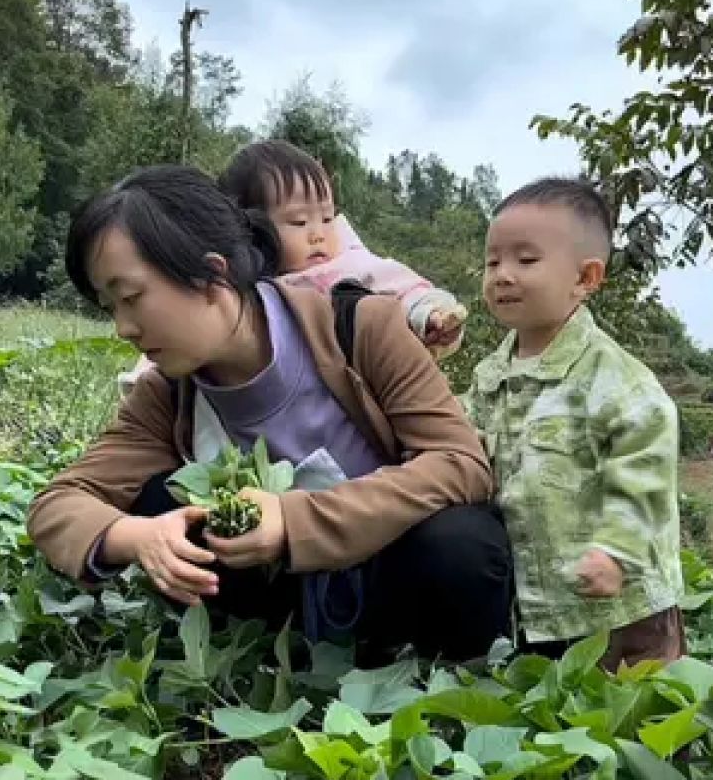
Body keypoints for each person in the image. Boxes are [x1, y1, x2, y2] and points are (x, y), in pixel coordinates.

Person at [27, 165, 512, 662]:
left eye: (131, 298)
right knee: (157, 501)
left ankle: (445, 670)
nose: (124, 328)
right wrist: (138, 538)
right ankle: (277, 655)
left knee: (460, 544)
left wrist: (293, 520)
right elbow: (59, 502)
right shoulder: (169, 392)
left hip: (393, 581)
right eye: (111, 307)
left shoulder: (361, 328)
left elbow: (461, 462)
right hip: (277, 610)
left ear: (213, 275)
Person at [465, 177, 685, 672]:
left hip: (625, 607)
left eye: (526, 260)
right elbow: (461, 446)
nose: (502, 274)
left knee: (639, 714)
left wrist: (616, 552)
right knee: (560, 715)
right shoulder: (488, 377)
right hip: (542, 603)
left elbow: (645, 467)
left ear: (585, 279)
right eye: (492, 261)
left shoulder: (613, 378)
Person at [118, 141, 467, 396]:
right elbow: (188, 334)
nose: (318, 234)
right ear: (250, 228)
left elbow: (403, 289)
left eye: (327, 217)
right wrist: (146, 381)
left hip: (355, 403)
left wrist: (432, 316)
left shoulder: (347, 267)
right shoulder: (239, 290)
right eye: (298, 222)